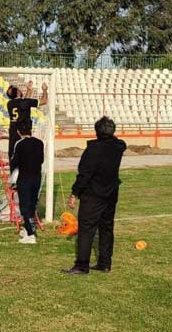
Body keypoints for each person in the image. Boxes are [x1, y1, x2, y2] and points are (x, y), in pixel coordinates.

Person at [62, 116, 126, 275]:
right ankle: (105, 263)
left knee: (86, 229)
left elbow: (84, 174)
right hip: (111, 193)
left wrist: (74, 193)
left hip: (93, 195)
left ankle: (82, 265)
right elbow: (119, 141)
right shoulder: (118, 146)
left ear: (97, 132)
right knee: (106, 227)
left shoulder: (93, 149)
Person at [10, 121, 44, 244]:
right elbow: (41, 160)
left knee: (25, 206)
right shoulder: (39, 143)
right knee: (32, 204)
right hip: (37, 177)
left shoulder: (19, 144)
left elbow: (14, 161)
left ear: (19, 132)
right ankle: (28, 228)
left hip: (25, 178)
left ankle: (30, 235)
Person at [6, 80, 48, 171]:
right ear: (17, 92)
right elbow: (44, 101)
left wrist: (29, 90)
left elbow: (24, 104)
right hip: (24, 135)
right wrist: (45, 90)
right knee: (26, 161)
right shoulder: (25, 102)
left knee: (14, 161)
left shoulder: (9, 104)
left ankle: (14, 182)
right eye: (19, 90)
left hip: (13, 135)